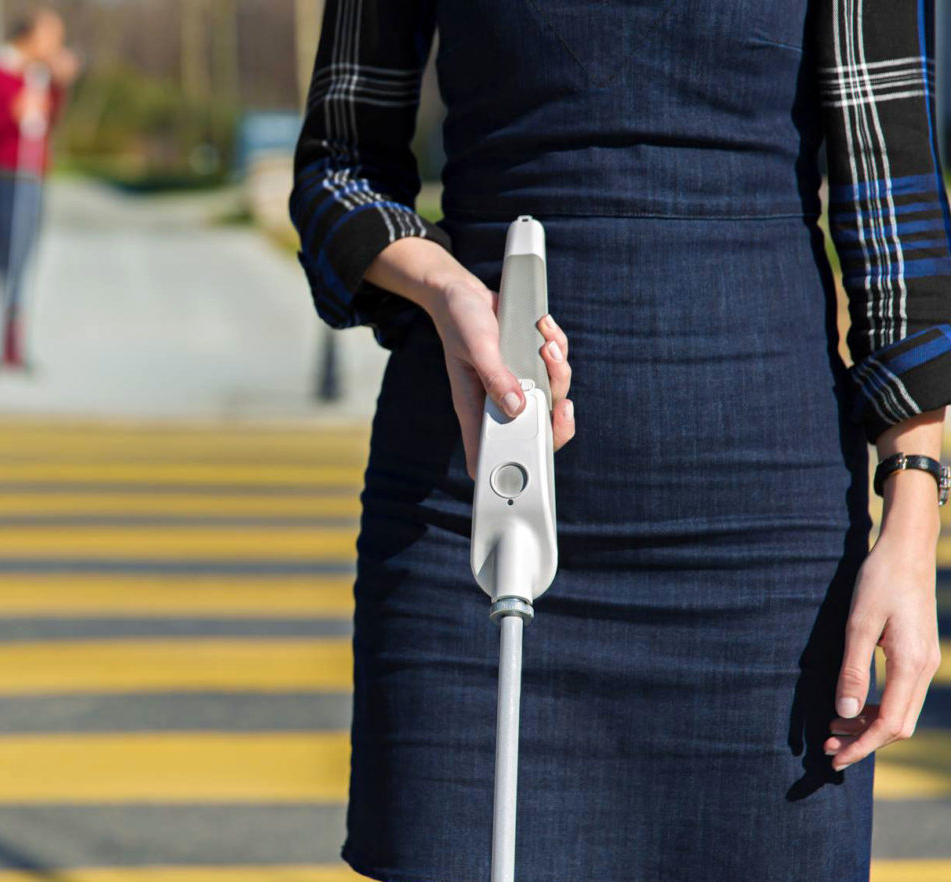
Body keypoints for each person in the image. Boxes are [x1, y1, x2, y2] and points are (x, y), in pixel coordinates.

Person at [290, 1, 947, 879]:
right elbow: (338, 171)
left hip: (762, 553)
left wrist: (914, 518)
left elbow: (894, 217)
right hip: (473, 514)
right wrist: (442, 287)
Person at [0, 7, 79, 371]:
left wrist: (59, 86)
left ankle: (12, 344)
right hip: (2, 173)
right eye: (51, 36)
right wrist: (11, 111)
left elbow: (47, 121)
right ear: (30, 36)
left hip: (33, 174)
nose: (56, 45)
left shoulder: (39, 76)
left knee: (23, 259)